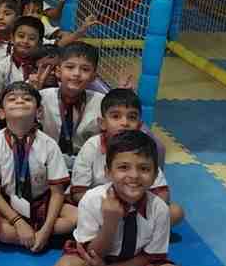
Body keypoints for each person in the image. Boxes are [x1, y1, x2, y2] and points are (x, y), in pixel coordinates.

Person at [53, 130, 200, 266]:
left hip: (136, 263)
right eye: (123, 167)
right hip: (96, 260)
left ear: (155, 175)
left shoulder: (159, 209)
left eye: (144, 169)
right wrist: (111, 222)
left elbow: (148, 257)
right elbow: (93, 254)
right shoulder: (92, 200)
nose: (134, 175)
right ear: (108, 172)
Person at [0, 82, 77, 252]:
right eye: (12, 99)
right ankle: (33, 237)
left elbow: (57, 193)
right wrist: (18, 222)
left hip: (41, 202)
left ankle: (37, 236)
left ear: (39, 112)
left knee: (78, 217)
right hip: (9, 204)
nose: (19, 101)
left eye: (27, 99)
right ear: (1, 113)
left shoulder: (48, 144)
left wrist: (47, 229)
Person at [70, 88, 184, 225]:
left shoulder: (144, 147)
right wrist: (105, 209)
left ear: (139, 125)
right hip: (102, 208)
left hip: (136, 207)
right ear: (102, 123)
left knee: (175, 212)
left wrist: (141, 211)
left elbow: (161, 192)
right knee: (75, 216)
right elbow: (78, 192)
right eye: (116, 116)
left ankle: (134, 229)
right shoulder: (92, 146)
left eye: (132, 117)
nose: (124, 123)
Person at [38, 42, 105, 166]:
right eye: (70, 67)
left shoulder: (102, 103)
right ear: (58, 71)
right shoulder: (42, 98)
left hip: (86, 164)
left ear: (93, 77)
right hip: (45, 162)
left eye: (85, 69)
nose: (77, 74)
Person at [0, 16, 45, 98]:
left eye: (32, 38)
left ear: (39, 43)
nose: (25, 41)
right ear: (12, 38)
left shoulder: (43, 66)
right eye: (21, 36)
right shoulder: (2, 67)